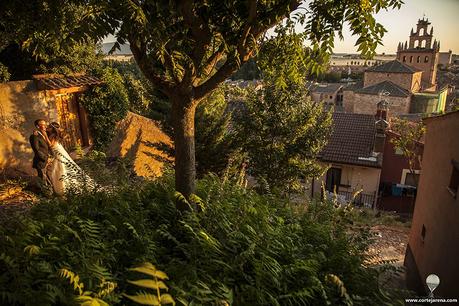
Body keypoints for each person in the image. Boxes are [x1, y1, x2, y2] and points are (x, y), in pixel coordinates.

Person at [45, 122, 95, 195]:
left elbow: (51, 145)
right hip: (59, 150)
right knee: (61, 167)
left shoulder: (52, 135)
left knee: (60, 167)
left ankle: (63, 187)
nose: (47, 128)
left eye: (49, 127)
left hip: (57, 151)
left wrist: (45, 136)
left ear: (52, 129)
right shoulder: (53, 134)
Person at [29, 119, 51, 186]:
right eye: (43, 125)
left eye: (45, 124)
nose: (45, 126)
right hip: (41, 161)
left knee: (47, 179)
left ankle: (48, 192)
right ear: (38, 126)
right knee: (43, 179)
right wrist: (45, 158)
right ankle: (43, 194)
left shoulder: (44, 134)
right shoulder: (34, 136)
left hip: (47, 160)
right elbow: (36, 149)